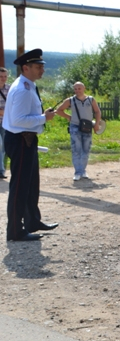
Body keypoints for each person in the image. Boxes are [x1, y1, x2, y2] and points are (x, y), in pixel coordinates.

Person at [3, 49, 59, 241]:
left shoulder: (28, 84)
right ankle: (15, 231)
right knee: (19, 186)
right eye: (38, 67)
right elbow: (18, 120)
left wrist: (43, 116)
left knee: (31, 184)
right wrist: (45, 117)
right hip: (20, 139)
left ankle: (32, 221)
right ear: (25, 68)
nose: (42, 70)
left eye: (42, 66)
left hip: (26, 138)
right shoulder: (22, 89)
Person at [55, 81, 103, 181]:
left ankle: (83, 171)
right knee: (76, 149)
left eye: (79, 88)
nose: (77, 91)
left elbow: (97, 111)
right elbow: (59, 110)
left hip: (88, 127)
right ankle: (77, 172)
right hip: (75, 127)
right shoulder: (70, 100)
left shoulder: (91, 99)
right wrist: (69, 117)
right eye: (75, 89)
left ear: (84, 88)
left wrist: (97, 123)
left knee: (86, 149)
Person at [0, 67, 11, 179]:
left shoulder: (10, 89)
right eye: (1, 76)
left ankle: (1, 171)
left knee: (3, 147)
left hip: (6, 123)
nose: (3, 79)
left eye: (5, 76)